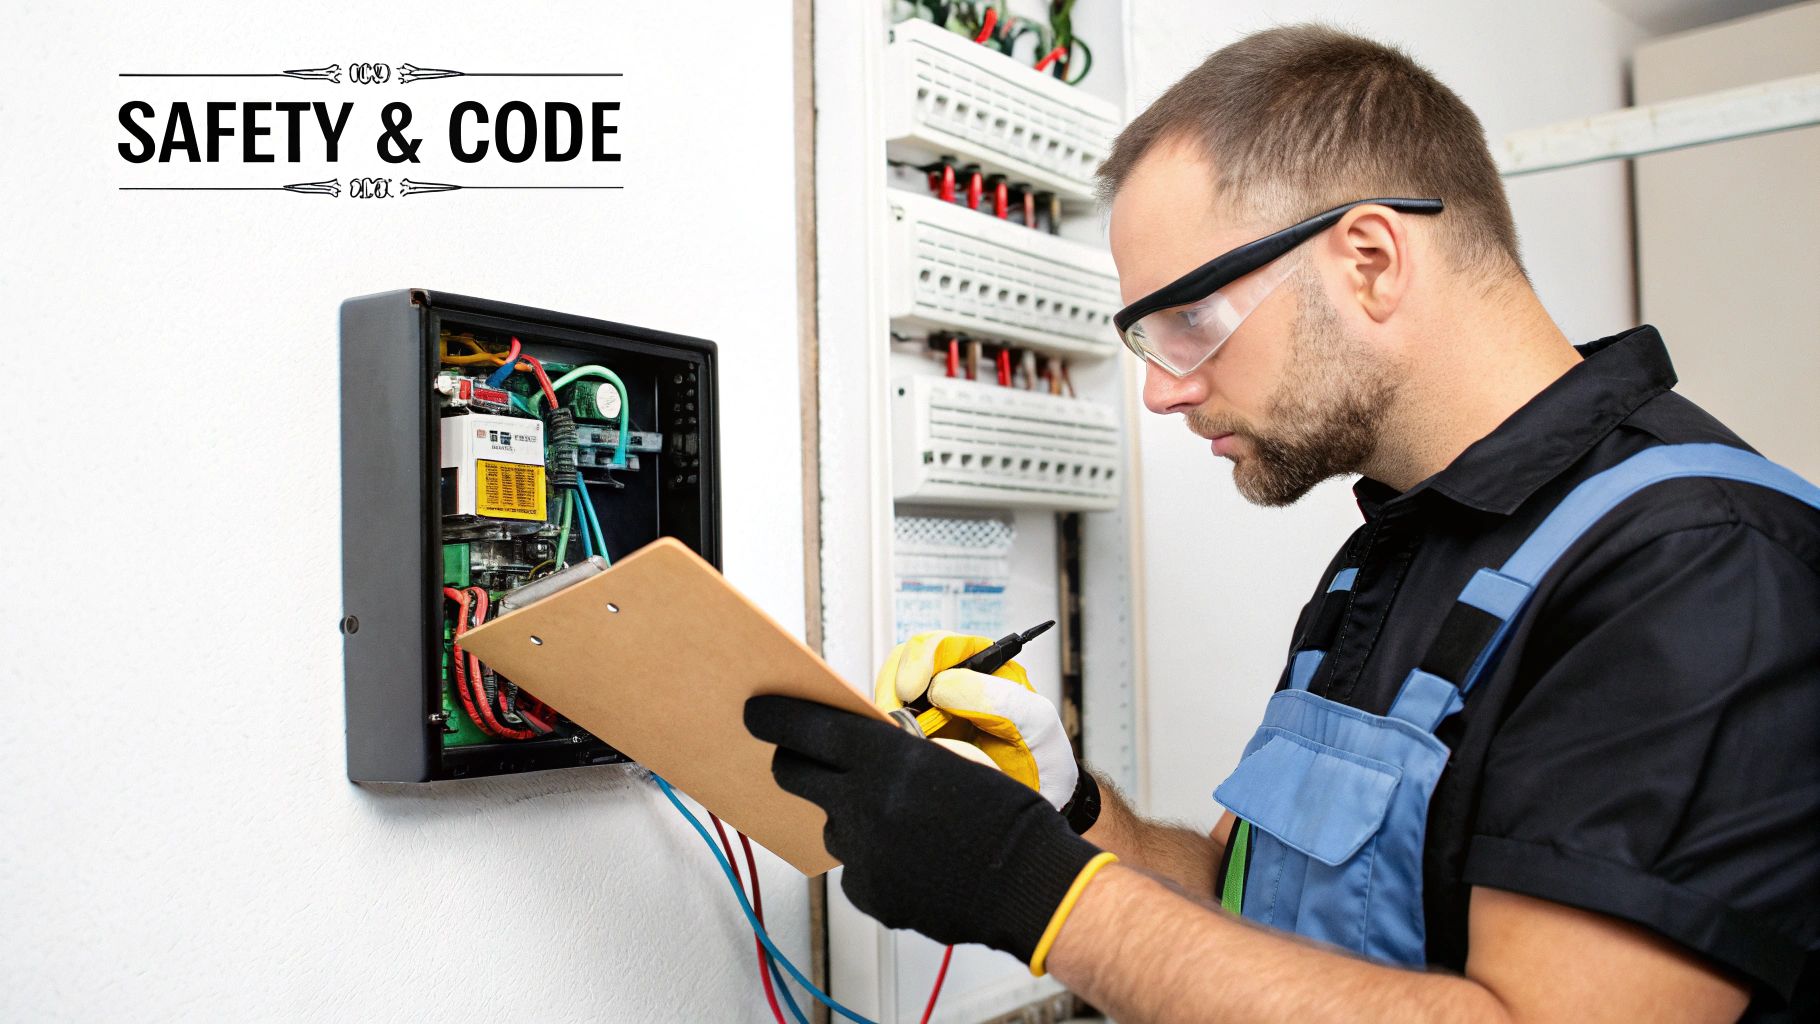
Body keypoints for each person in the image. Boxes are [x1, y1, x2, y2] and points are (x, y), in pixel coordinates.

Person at [745, 24, 1820, 1023]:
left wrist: (1030, 889)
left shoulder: (1700, 563)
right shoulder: (1391, 551)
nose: (1162, 390)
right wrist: (1063, 817)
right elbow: (1259, 914)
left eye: (1189, 322)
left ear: (1368, 258)